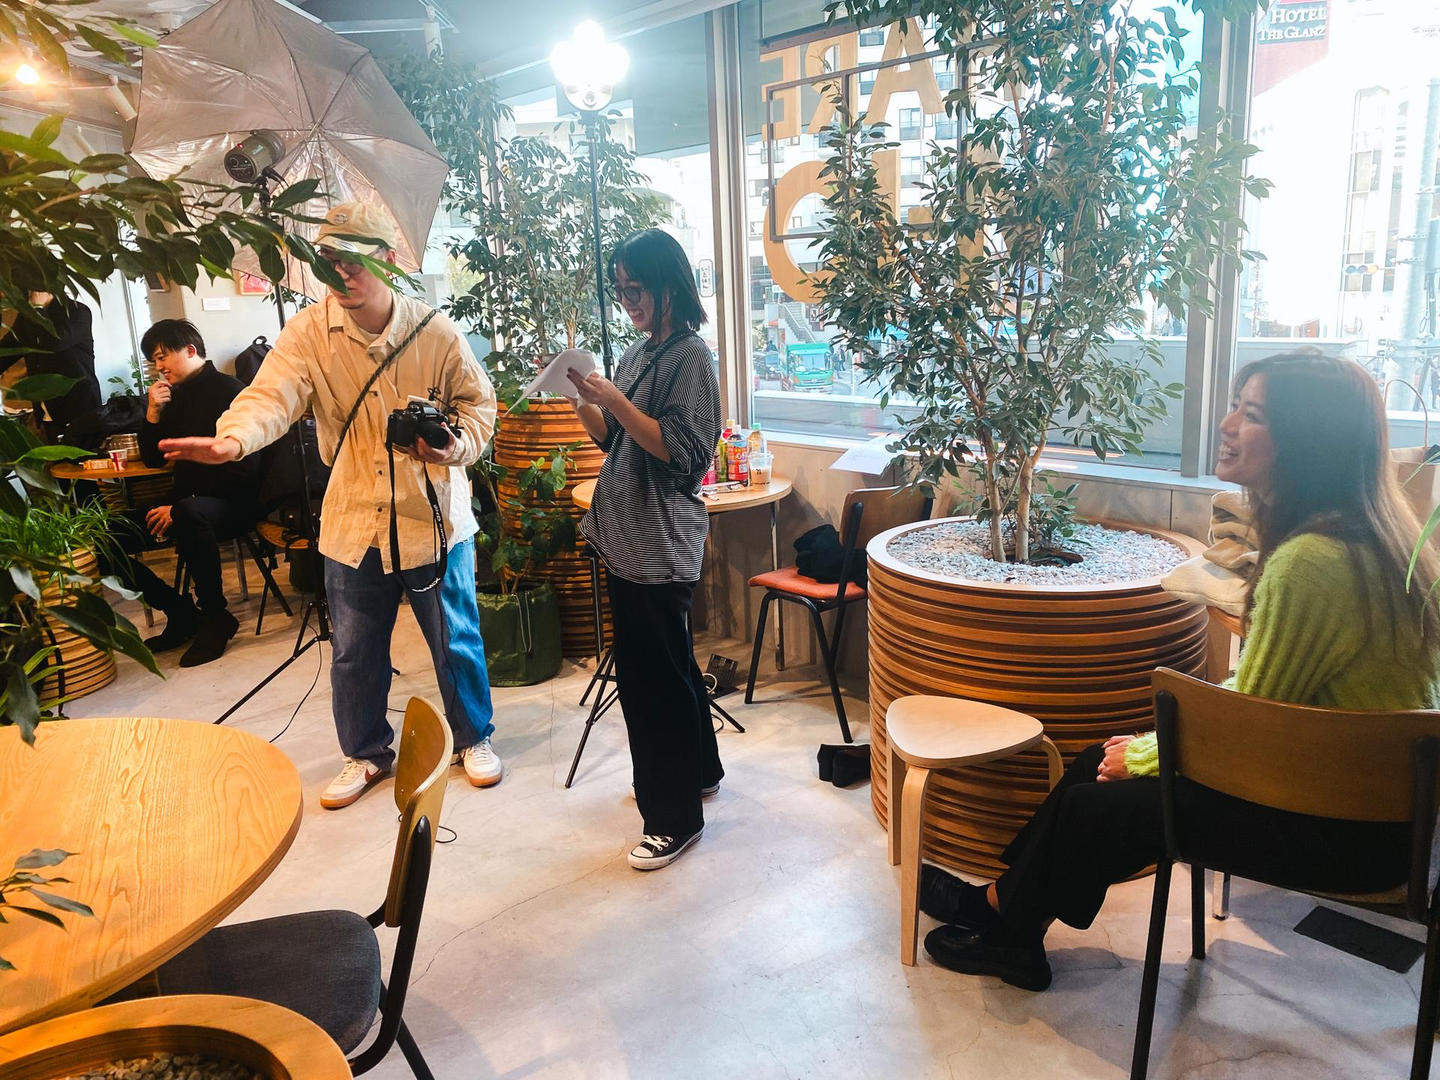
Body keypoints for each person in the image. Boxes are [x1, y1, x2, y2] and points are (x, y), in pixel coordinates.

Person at [918, 350, 1440, 990]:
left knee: (1098, 804)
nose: (1226, 424)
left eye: (1252, 414)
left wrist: (1145, 755)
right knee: (1095, 761)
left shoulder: (1313, 564)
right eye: (1234, 406)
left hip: (1343, 830)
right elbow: (1267, 698)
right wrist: (1143, 751)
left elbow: (1251, 722)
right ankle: (1003, 908)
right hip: (1377, 813)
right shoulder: (1380, 539)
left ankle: (1008, 930)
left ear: (1308, 442)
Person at [160, 202, 502, 809]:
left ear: (388, 260)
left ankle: (473, 737)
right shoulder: (308, 333)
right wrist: (233, 439)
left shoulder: (435, 332)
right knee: (353, 649)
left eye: (354, 260)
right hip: (354, 515)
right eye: (327, 261)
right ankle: (365, 752)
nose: (340, 273)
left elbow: (480, 409)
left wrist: (454, 446)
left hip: (433, 515)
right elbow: (271, 396)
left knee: (456, 639)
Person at [566, 228, 724, 871]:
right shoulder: (639, 353)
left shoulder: (693, 359)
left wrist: (617, 400)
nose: (627, 301)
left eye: (636, 289)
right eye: (621, 289)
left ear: (669, 287)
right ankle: (699, 772)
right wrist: (584, 401)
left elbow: (684, 455)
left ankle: (673, 819)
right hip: (629, 538)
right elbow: (616, 440)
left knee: (648, 683)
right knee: (672, 665)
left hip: (660, 541)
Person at [134, 319, 263, 666]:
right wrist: (152, 412)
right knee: (106, 535)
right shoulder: (171, 396)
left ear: (190, 350)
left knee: (189, 514)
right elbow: (153, 459)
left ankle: (215, 616)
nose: (159, 367)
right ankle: (180, 611)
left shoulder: (231, 391)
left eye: (163, 356)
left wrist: (181, 505)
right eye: (154, 360)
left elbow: (247, 469)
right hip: (186, 503)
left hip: (235, 503)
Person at [0, 292, 101, 440]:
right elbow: (6, 352)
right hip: (45, 411)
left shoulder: (77, 311)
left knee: (81, 454)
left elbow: (54, 343)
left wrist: (37, 309)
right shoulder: (26, 317)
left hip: (78, 407)